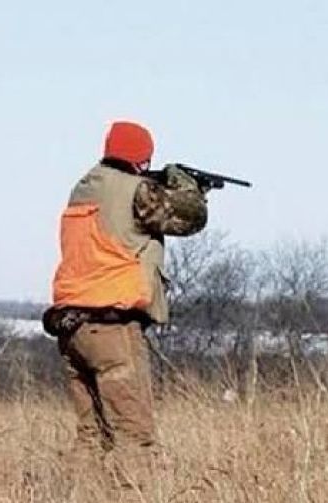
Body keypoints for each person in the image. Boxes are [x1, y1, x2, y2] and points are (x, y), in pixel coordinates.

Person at [43, 120, 208, 483]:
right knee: (136, 439)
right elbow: (190, 217)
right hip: (112, 329)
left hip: (72, 330)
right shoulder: (138, 192)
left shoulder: (84, 189)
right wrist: (188, 185)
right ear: (142, 160)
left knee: (92, 437)